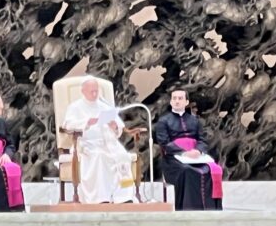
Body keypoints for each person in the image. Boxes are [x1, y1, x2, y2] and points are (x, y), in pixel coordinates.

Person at [61, 76, 137, 204]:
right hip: (87, 144)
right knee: (99, 157)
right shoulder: (75, 107)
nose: (95, 94)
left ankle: (124, 196)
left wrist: (114, 126)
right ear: (83, 91)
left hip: (107, 143)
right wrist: (86, 122)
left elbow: (118, 126)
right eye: (92, 91)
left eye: (96, 91)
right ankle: (101, 197)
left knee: (122, 156)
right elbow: (67, 125)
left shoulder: (104, 106)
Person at [154, 89, 223, 210]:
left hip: (196, 156)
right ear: (170, 102)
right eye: (174, 98)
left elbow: (202, 140)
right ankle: (188, 210)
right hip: (173, 160)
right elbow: (164, 143)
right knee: (186, 170)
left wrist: (197, 151)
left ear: (186, 102)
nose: (177, 101)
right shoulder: (163, 121)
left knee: (213, 169)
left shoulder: (195, 121)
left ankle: (210, 210)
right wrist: (183, 152)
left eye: (180, 98)